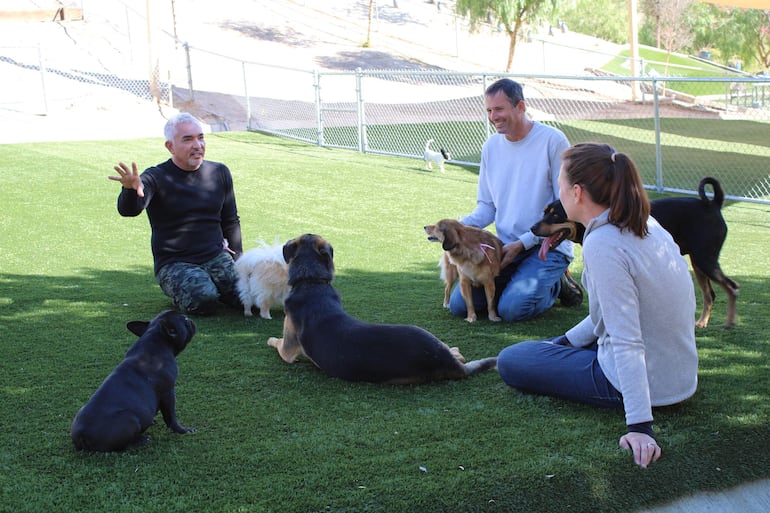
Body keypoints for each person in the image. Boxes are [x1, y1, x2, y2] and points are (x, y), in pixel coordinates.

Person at [497, 142, 698, 468]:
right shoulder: (647, 224)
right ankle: (563, 348)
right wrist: (562, 343)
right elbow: (616, 310)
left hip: (644, 383)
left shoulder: (604, 243)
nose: (558, 190)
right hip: (678, 376)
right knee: (549, 348)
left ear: (576, 192)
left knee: (512, 359)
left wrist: (640, 427)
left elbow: (626, 338)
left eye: (560, 183)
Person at [448, 78, 582, 322]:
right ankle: (515, 282)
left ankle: (557, 283)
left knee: (512, 310)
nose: (493, 116)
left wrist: (524, 242)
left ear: (520, 106)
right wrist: (456, 229)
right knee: (460, 305)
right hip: (503, 247)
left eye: (499, 109)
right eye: (489, 110)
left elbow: (566, 205)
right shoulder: (491, 146)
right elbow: (487, 207)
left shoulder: (552, 141)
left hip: (547, 246)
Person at [109, 112, 243, 315]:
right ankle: (190, 289)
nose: (198, 145)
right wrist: (130, 190)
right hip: (175, 263)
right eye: (188, 139)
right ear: (170, 146)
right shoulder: (155, 177)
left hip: (215, 256)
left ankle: (218, 285)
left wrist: (239, 260)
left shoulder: (219, 172)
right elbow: (129, 210)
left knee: (250, 297)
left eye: (201, 137)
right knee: (204, 299)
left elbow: (230, 220)